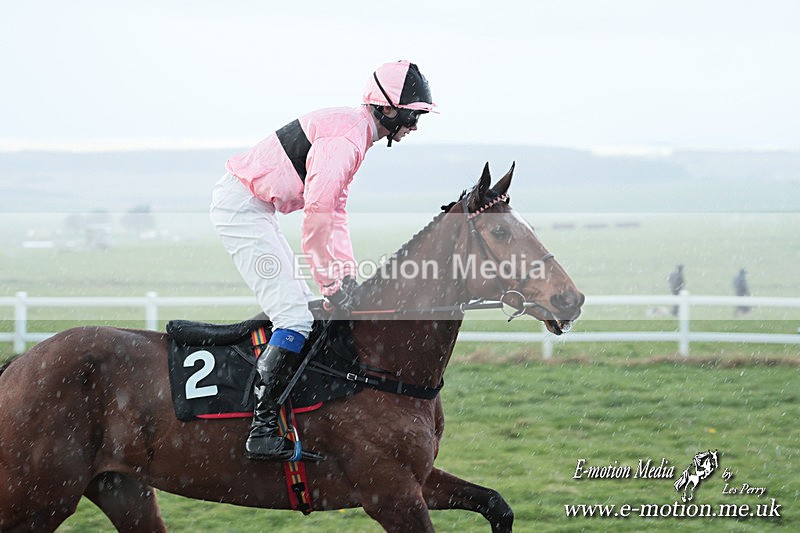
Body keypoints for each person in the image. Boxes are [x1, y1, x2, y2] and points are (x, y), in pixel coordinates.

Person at [209, 60, 436, 461]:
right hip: (242, 209)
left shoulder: (356, 134)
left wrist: (346, 274)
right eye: (412, 115)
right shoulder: (347, 138)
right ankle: (261, 430)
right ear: (386, 108)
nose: (415, 125)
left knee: (303, 313)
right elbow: (316, 211)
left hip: (255, 207)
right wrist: (330, 283)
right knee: (295, 316)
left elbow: (337, 210)